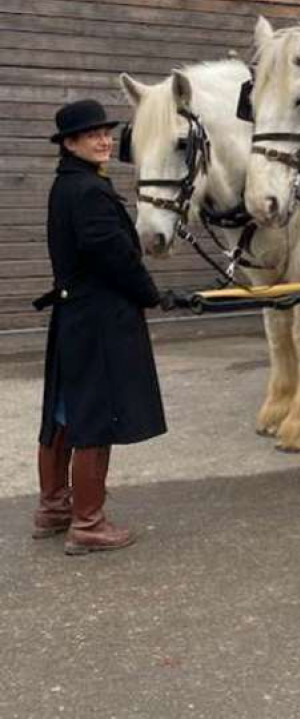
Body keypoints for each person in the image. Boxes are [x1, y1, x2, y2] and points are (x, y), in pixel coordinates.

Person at [33, 99, 166, 556]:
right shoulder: (88, 190)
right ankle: (87, 523)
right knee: (96, 415)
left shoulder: (68, 184)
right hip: (99, 321)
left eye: (106, 133)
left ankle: (54, 507)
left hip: (76, 316)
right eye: (92, 135)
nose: (104, 140)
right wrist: (152, 293)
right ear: (70, 144)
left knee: (65, 412)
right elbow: (110, 253)